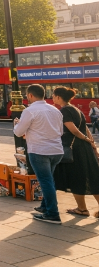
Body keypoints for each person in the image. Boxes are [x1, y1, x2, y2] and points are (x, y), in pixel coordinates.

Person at [14, 83, 64, 224]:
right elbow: (60, 132)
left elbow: (19, 132)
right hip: (57, 151)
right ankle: (45, 207)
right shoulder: (55, 110)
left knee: (45, 181)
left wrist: (16, 124)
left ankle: (53, 213)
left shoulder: (30, 111)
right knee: (49, 179)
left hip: (39, 150)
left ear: (30, 95)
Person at [52, 87, 99, 217]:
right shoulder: (76, 109)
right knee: (92, 176)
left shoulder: (65, 110)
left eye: (54, 96)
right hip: (85, 148)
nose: (52, 98)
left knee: (77, 177)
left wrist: (85, 139)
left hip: (75, 149)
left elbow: (73, 130)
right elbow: (85, 128)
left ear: (59, 97)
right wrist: (91, 142)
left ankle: (82, 208)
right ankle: (84, 208)